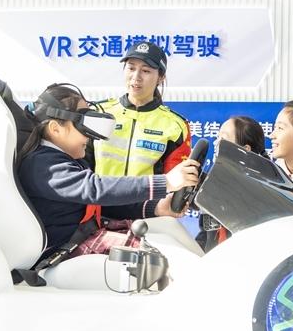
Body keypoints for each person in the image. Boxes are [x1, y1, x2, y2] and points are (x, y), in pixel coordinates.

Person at [18, 83, 199, 258]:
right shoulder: (44, 166)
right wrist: (166, 182)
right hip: (62, 253)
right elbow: (95, 189)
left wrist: (156, 208)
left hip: (85, 237)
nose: (88, 135)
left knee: (170, 229)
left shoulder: (66, 160)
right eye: (82, 125)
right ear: (55, 129)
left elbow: (98, 205)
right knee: (162, 256)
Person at [87, 41, 191, 177]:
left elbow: (176, 180)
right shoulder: (98, 112)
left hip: (151, 192)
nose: (136, 77)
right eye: (131, 68)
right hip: (98, 191)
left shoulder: (175, 126)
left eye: (146, 71)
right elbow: (79, 168)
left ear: (160, 78)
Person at [196, 116, 270, 252]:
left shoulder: (262, 191)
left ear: (244, 149)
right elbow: (206, 235)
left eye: (223, 139)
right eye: (217, 137)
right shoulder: (216, 185)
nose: (216, 143)